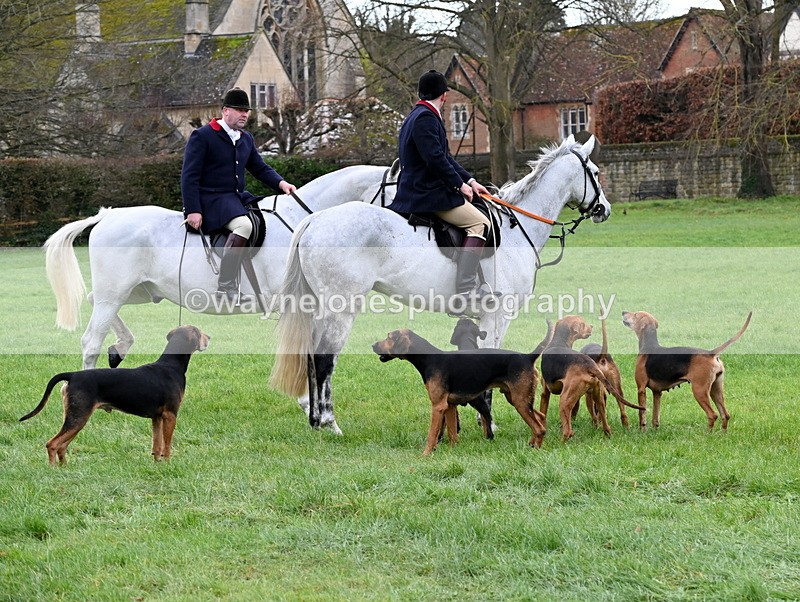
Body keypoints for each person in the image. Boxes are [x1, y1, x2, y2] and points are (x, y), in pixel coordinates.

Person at [388, 70, 493, 316]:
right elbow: (435, 160)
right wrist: (459, 186)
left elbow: (444, 158)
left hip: (418, 189)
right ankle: (465, 294)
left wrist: (471, 180)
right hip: (427, 193)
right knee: (480, 223)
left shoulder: (415, 115)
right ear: (444, 95)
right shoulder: (426, 118)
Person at [181, 87, 296, 304]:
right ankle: (225, 287)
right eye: (239, 110)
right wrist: (193, 209)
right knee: (244, 226)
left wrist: (282, 183)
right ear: (225, 111)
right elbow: (189, 176)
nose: (244, 114)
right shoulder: (203, 136)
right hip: (210, 201)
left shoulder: (245, 138)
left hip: (235, 198)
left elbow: (259, 168)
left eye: (247, 111)